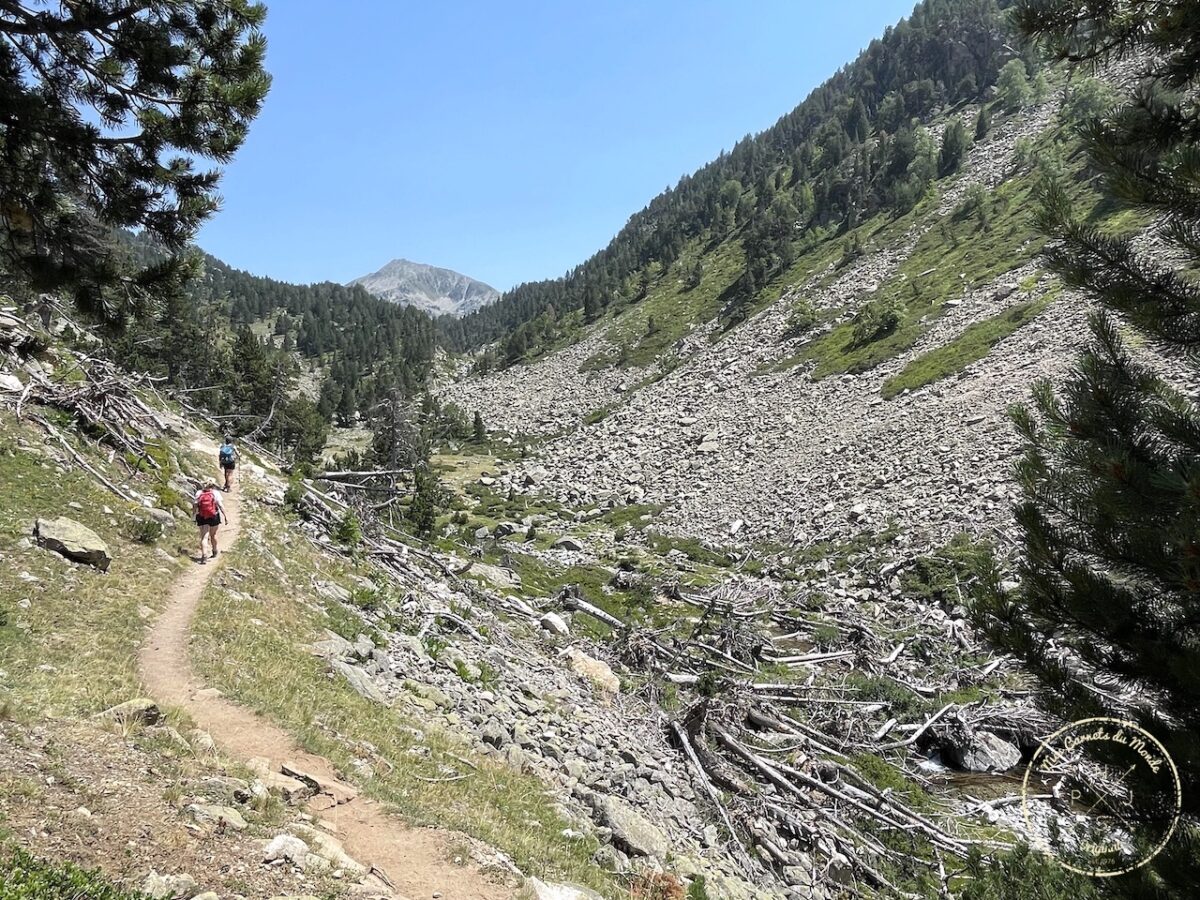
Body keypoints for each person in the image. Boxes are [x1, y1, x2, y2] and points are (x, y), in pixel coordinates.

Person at [193, 481, 227, 564]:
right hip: (214, 516)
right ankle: (214, 550)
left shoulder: (199, 493)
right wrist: (225, 516)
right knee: (213, 535)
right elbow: (220, 505)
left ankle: (204, 554)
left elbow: (195, 505)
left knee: (204, 537)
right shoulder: (215, 493)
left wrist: (193, 514)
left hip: (201, 516)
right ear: (213, 485)